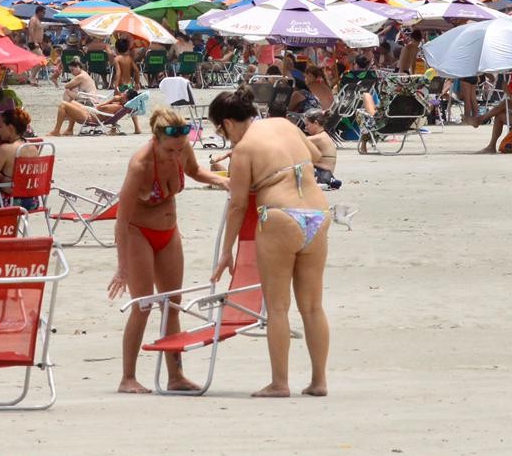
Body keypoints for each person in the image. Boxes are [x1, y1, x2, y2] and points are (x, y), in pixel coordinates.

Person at [208, 87, 332, 398]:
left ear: (227, 123)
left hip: (279, 217)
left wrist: (227, 251)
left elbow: (237, 205)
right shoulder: (284, 124)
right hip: (317, 213)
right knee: (313, 306)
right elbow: (317, 156)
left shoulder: (244, 149)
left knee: (278, 307)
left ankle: (280, 383)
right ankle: (319, 381)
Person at [107, 109, 227, 393]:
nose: (177, 156)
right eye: (170, 151)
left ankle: (175, 376)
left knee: (172, 303)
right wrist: (122, 267)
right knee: (144, 305)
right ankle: (128, 378)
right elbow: (121, 219)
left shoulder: (182, 148)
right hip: (138, 233)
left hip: (168, 232)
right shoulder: (140, 165)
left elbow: (195, 171)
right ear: (156, 141)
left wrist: (222, 180)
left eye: (180, 149)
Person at [301, 110, 340, 190]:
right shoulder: (324, 135)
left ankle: (321, 183)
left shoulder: (319, 138)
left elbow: (297, 141)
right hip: (326, 173)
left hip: (321, 173)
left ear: (316, 123)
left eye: (307, 125)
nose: (305, 128)